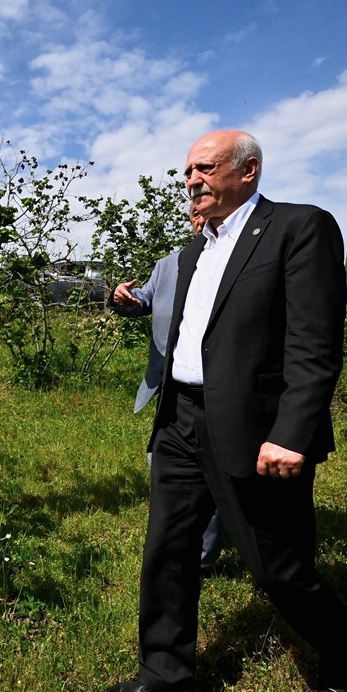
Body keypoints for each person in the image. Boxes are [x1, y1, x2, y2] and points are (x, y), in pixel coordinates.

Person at [102, 130, 347, 692]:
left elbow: (314, 345)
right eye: (187, 172)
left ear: (247, 171)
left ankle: (346, 655)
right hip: (180, 418)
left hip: (256, 429)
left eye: (204, 167)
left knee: (278, 567)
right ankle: (165, 670)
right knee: (168, 551)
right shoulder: (195, 249)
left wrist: (292, 433)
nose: (191, 180)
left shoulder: (299, 228)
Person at [108, 205, 225, 574]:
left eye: (206, 210)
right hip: (169, 388)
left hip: (221, 391)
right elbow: (141, 301)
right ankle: (174, 548)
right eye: (193, 213)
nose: (199, 217)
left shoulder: (238, 260)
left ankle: (202, 561)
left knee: (217, 475)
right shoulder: (168, 264)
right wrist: (122, 299)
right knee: (162, 464)